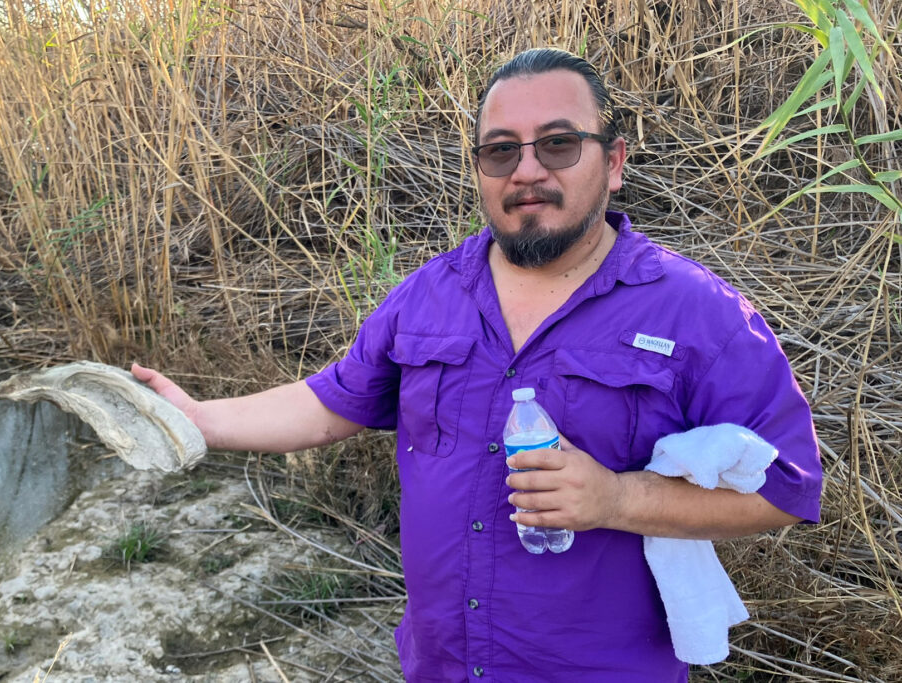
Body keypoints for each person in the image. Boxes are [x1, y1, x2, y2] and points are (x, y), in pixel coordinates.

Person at [133, 48, 822, 681]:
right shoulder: (430, 296)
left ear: (613, 162)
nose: (527, 170)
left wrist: (617, 498)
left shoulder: (699, 315)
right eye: (500, 152)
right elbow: (330, 402)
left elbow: (787, 488)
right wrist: (197, 420)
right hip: (444, 664)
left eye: (558, 143)